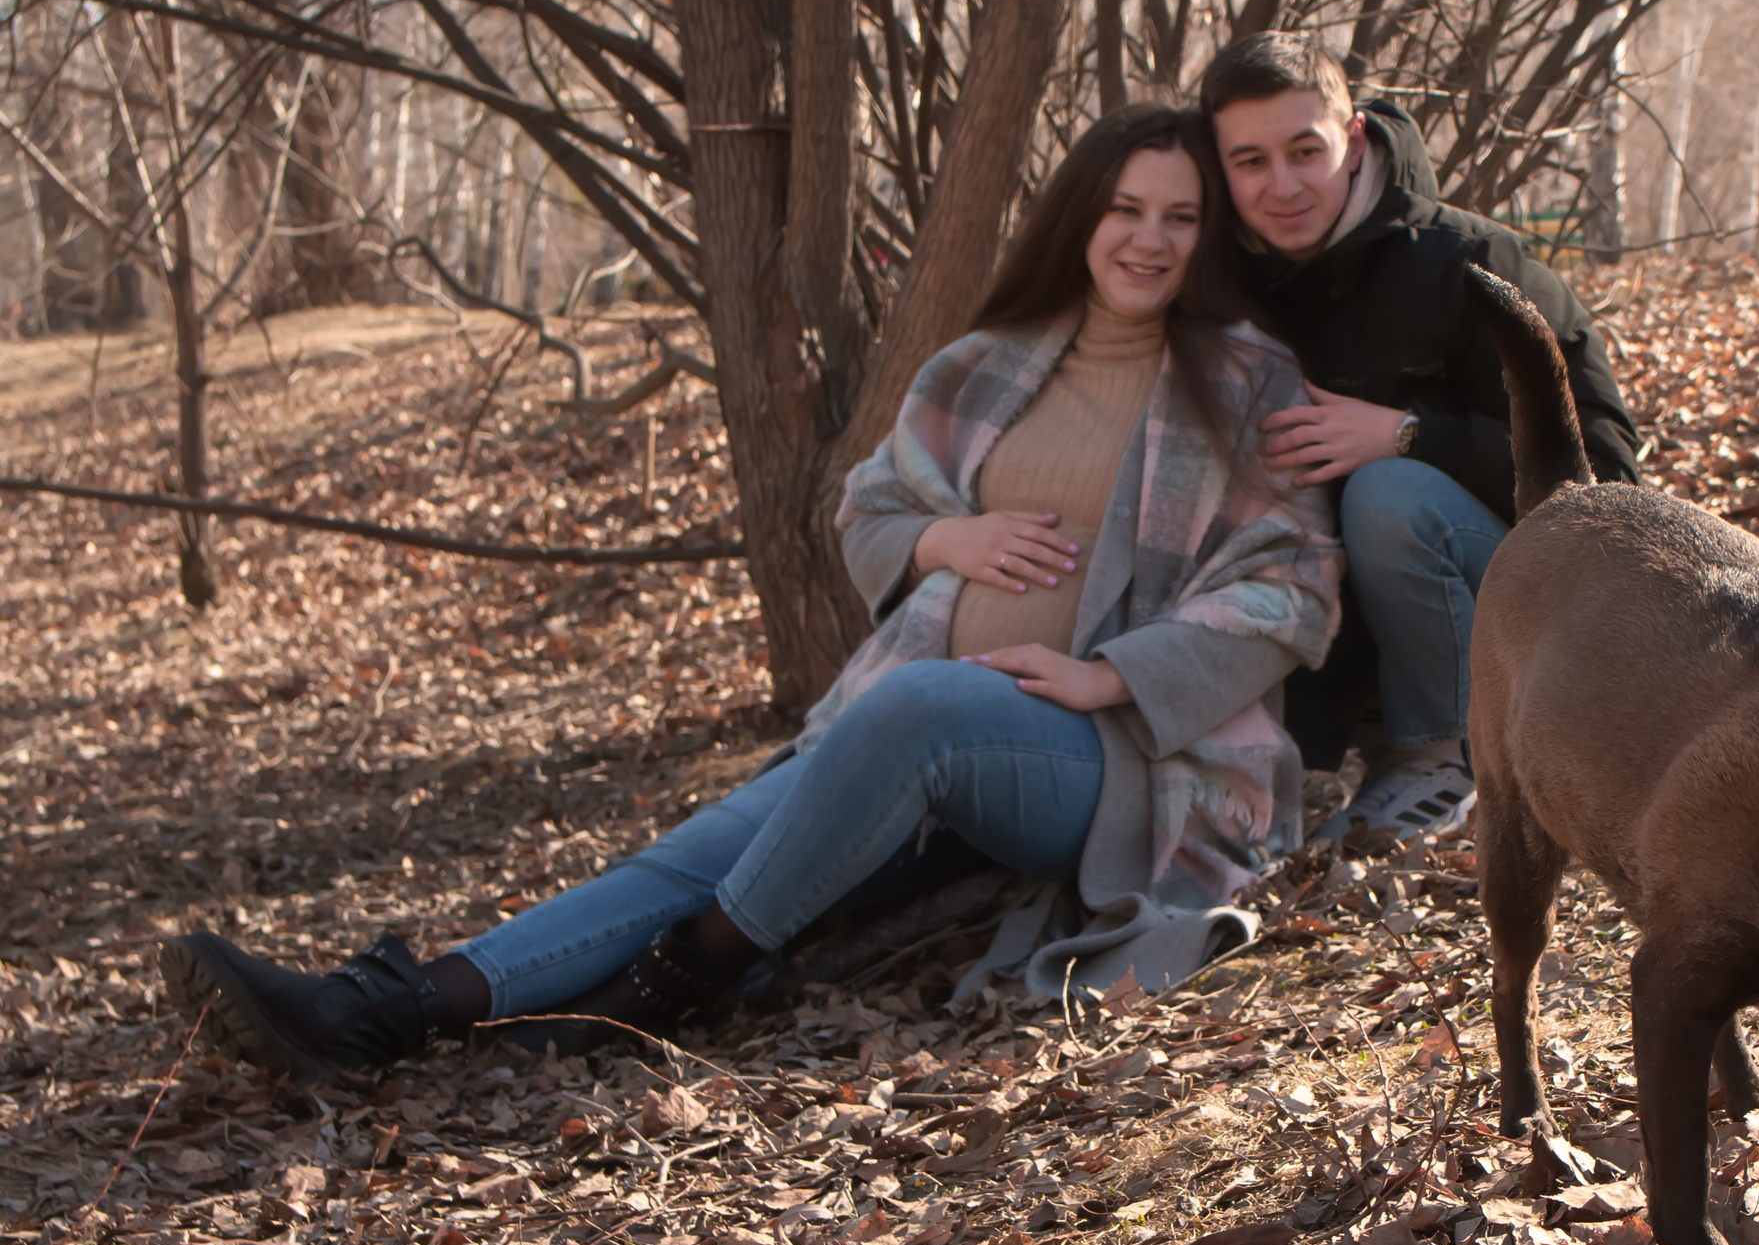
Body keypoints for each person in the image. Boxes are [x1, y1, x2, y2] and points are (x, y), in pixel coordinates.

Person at [159, 105, 1343, 1077]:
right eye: (1125, 209)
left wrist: (1106, 674)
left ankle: (698, 971)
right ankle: (384, 1010)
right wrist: (950, 541)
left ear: (1209, 239)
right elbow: (870, 511)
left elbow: (1291, 586)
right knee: (688, 855)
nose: (1149, 238)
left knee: (917, 711)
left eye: (1180, 218)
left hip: (1115, 761)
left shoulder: (1246, 384)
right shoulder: (981, 368)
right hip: (911, 740)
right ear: (1079, 218)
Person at [1201, 31, 1643, 840]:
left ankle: (1444, 758)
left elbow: (1609, 481)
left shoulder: (1469, 263)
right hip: (1327, 645)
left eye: (1307, 150)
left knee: (1388, 491)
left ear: (1355, 137)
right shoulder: (1210, 291)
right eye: (1251, 162)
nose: (1284, 185)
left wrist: (1412, 435)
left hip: (1527, 629)